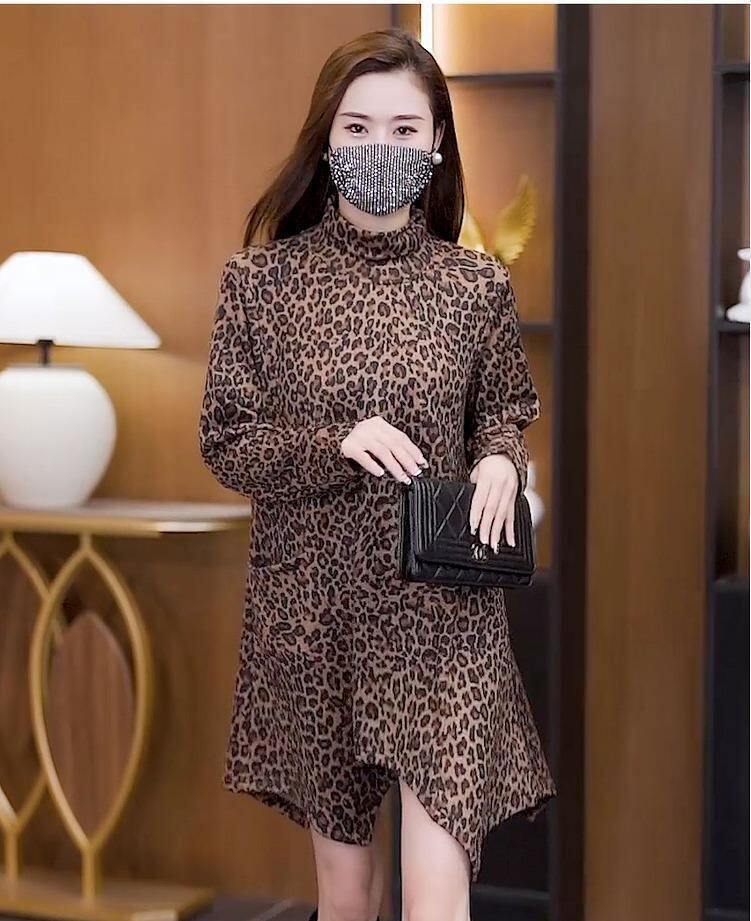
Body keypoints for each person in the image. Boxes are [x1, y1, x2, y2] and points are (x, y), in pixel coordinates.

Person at [198, 26, 556, 921]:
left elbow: (502, 410)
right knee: (348, 895)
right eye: (357, 128)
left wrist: (501, 460)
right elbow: (227, 439)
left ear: (436, 143)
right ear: (326, 138)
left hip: (443, 618)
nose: (379, 148)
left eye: (403, 130)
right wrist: (337, 443)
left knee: (439, 895)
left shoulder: (474, 287)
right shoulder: (260, 284)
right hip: (314, 613)